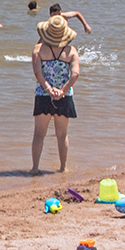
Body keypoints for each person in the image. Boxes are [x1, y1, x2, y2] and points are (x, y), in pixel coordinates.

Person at [30, 15, 80, 174]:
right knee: (62, 134)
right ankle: (63, 168)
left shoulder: (38, 50)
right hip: (65, 97)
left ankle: (35, 168)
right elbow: (75, 74)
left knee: (39, 134)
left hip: (43, 95)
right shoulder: (71, 51)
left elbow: (38, 73)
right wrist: (62, 91)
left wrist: (49, 90)